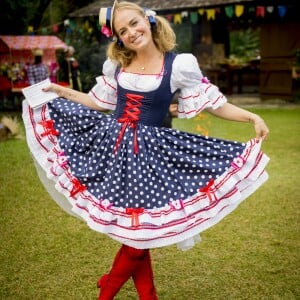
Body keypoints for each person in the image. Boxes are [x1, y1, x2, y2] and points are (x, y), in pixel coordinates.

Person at [22, 1, 270, 299]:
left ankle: (109, 290)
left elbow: (215, 104)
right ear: (117, 37)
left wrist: (251, 116)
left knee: (139, 236)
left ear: (148, 21)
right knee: (136, 233)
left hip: (149, 157)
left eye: (134, 24)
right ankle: (145, 294)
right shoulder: (118, 66)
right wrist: (61, 91)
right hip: (113, 151)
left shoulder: (178, 65)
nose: (131, 33)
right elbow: (99, 103)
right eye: (122, 31)